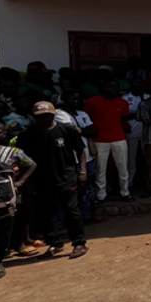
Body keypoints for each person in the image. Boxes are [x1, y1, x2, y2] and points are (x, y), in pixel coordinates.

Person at [18, 102, 89, 259]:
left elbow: (80, 150)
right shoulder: (28, 135)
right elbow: (22, 160)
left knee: (71, 211)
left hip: (66, 176)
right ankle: (55, 243)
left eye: (47, 115)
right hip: (41, 180)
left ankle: (79, 243)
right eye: (40, 116)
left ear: (53, 114)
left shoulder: (67, 129)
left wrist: (82, 171)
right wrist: (27, 182)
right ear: (34, 117)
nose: (44, 118)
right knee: (46, 213)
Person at [0, 122, 35, 280]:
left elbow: (31, 164)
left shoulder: (13, 152)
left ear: (4, 134)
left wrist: (20, 182)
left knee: (3, 230)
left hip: (5, 199)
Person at [85, 79, 132, 203]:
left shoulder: (123, 103)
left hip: (119, 138)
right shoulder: (92, 102)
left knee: (122, 167)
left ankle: (125, 192)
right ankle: (101, 195)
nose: (112, 89)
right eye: (109, 86)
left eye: (114, 87)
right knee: (100, 168)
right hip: (99, 139)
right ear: (102, 88)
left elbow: (124, 120)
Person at [55, 89, 98, 222]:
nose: (76, 101)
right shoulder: (59, 114)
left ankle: (85, 216)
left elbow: (94, 130)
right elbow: (71, 132)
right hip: (70, 159)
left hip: (87, 157)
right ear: (64, 100)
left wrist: (80, 130)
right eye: (72, 98)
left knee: (86, 189)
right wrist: (83, 130)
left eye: (78, 99)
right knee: (69, 191)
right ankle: (64, 221)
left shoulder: (82, 113)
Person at [122, 77, 147, 190]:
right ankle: (129, 183)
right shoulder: (125, 98)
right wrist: (139, 115)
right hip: (131, 132)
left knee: (148, 158)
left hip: (147, 132)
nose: (138, 85)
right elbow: (124, 116)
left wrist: (136, 114)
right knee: (131, 159)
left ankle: (149, 181)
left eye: (140, 83)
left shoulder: (147, 97)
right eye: (136, 82)